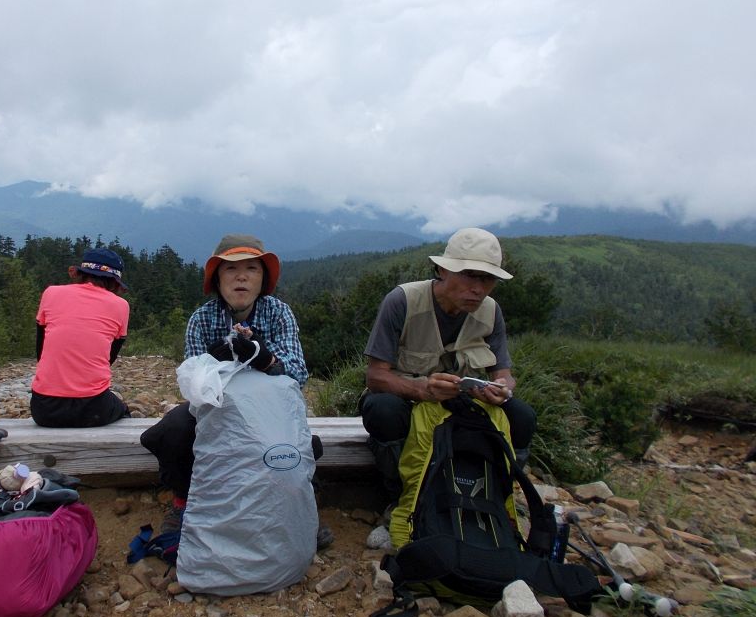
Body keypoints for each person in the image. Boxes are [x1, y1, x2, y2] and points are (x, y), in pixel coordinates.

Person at [140, 234, 326, 541]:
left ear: (263, 279)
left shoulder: (279, 313)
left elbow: (298, 376)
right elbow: (193, 389)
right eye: (230, 269)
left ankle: (299, 507)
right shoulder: (201, 319)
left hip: (268, 412)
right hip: (217, 410)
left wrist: (262, 357)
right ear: (217, 279)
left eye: (252, 268)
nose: (241, 276)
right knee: (173, 430)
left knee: (297, 446)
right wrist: (214, 361)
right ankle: (184, 500)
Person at [360, 227, 537, 501]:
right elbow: (375, 377)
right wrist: (422, 391)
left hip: (462, 402)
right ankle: (401, 496)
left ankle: (493, 498)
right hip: (409, 400)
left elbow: (504, 373)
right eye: (468, 275)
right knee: (382, 409)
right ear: (442, 271)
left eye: (488, 279)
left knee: (522, 417)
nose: (478, 289)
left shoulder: (491, 312)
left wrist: (501, 388)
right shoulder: (403, 301)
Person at [30, 248, 131, 427]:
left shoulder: (51, 293)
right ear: (114, 282)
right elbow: (109, 359)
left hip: (43, 409)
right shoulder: (120, 305)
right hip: (93, 409)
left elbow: (41, 349)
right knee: (123, 410)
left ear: (81, 272)